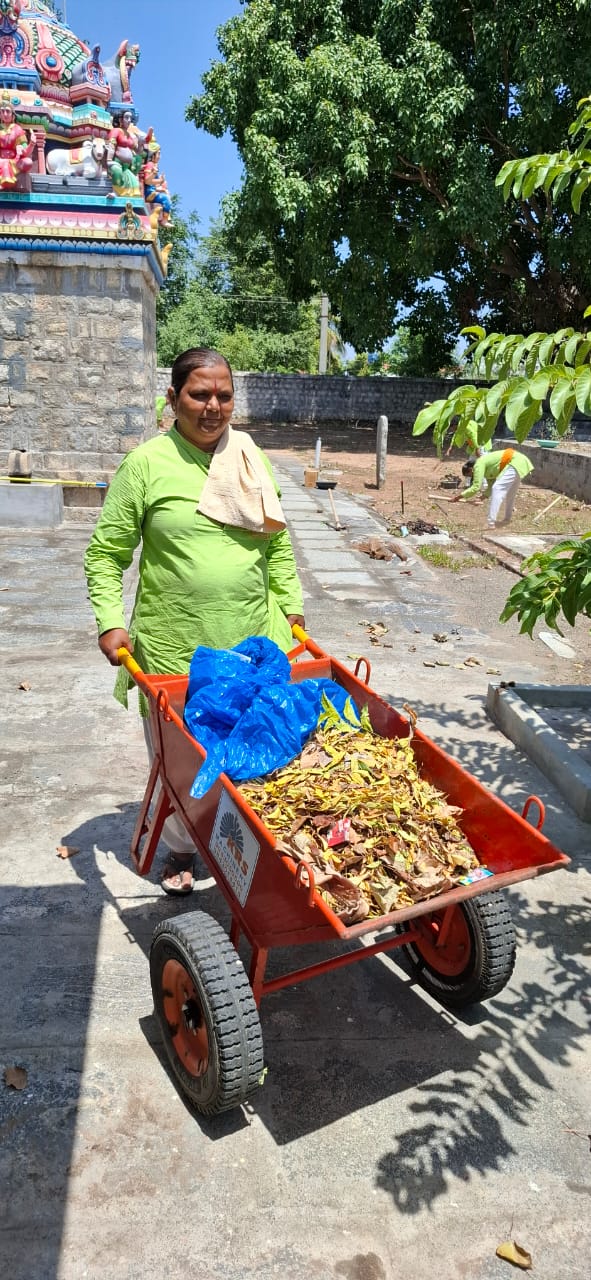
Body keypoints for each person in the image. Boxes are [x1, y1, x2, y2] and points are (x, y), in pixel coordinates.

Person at [85, 347, 305, 894]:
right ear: (173, 398)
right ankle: (183, 849)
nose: (213, 407)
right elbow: (106, 554)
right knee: (184, 762)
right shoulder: (146, 465)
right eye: (199, 394)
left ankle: (253, 848)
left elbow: (277, 546)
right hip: (174, 648)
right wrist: (110, 620)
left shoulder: (250, 458)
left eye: (224, 396)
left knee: (258, 748)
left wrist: (292, 605)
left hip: (252, 640)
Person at [451, 447, 534, 528]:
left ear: (470, 469)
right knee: (509, 493)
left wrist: (458, 497)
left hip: (515, 461)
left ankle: (491, 522)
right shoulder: (487, 469)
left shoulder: (478, 465)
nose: (472, 476)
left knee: (497, 488)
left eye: (469, 475)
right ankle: (507, 520)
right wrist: (481, 498)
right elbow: (490, 486)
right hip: (520, 462)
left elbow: (476, 487)